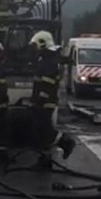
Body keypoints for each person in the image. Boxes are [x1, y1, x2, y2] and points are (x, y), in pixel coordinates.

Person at [29, 30, 76, 169]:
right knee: (40, 130)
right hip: (43, 100)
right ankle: (45, 159)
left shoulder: (49, 60)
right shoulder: (46, 58)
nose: (35, 49)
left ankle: (65, 142)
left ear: (43, 43)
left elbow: (47, 83)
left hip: (46, 101)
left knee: (43, 129)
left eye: (36, 45)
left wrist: (40, 100)